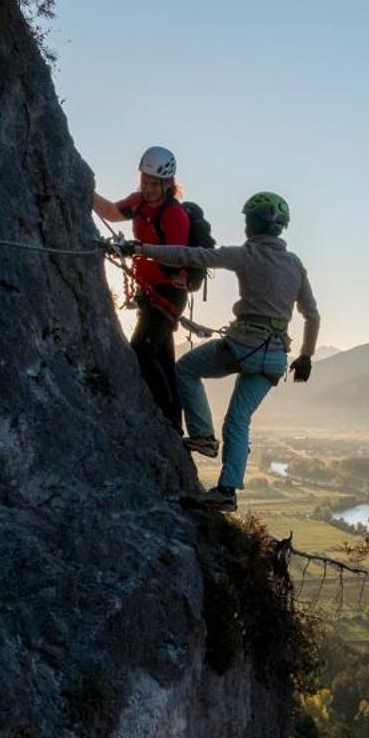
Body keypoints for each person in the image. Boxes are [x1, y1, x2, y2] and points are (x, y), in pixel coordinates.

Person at [121, 191, 317, 512]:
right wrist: (306, 356)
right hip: (276, 356)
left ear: (254, 223)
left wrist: (140, 250)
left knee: (185, 369)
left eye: (246, 220)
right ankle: (227, 492)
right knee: (239, 420)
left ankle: (202, 437)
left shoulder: (246, 254)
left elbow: (191, 256)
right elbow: (312, 314)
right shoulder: (295, 264)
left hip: (242, 345)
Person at [92, 146, 189, 429]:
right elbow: (110, 212)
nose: (147, 188)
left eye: (153, 184)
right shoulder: (138, 203)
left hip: (169, 292)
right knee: (162, 358)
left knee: (142, 351)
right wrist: (85, 189)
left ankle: (163, 417)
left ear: (167, 184)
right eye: (144, 182)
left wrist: (136, 249)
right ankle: (174, 423)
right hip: (149, 292)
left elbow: (174, 257)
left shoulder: (174, 215)